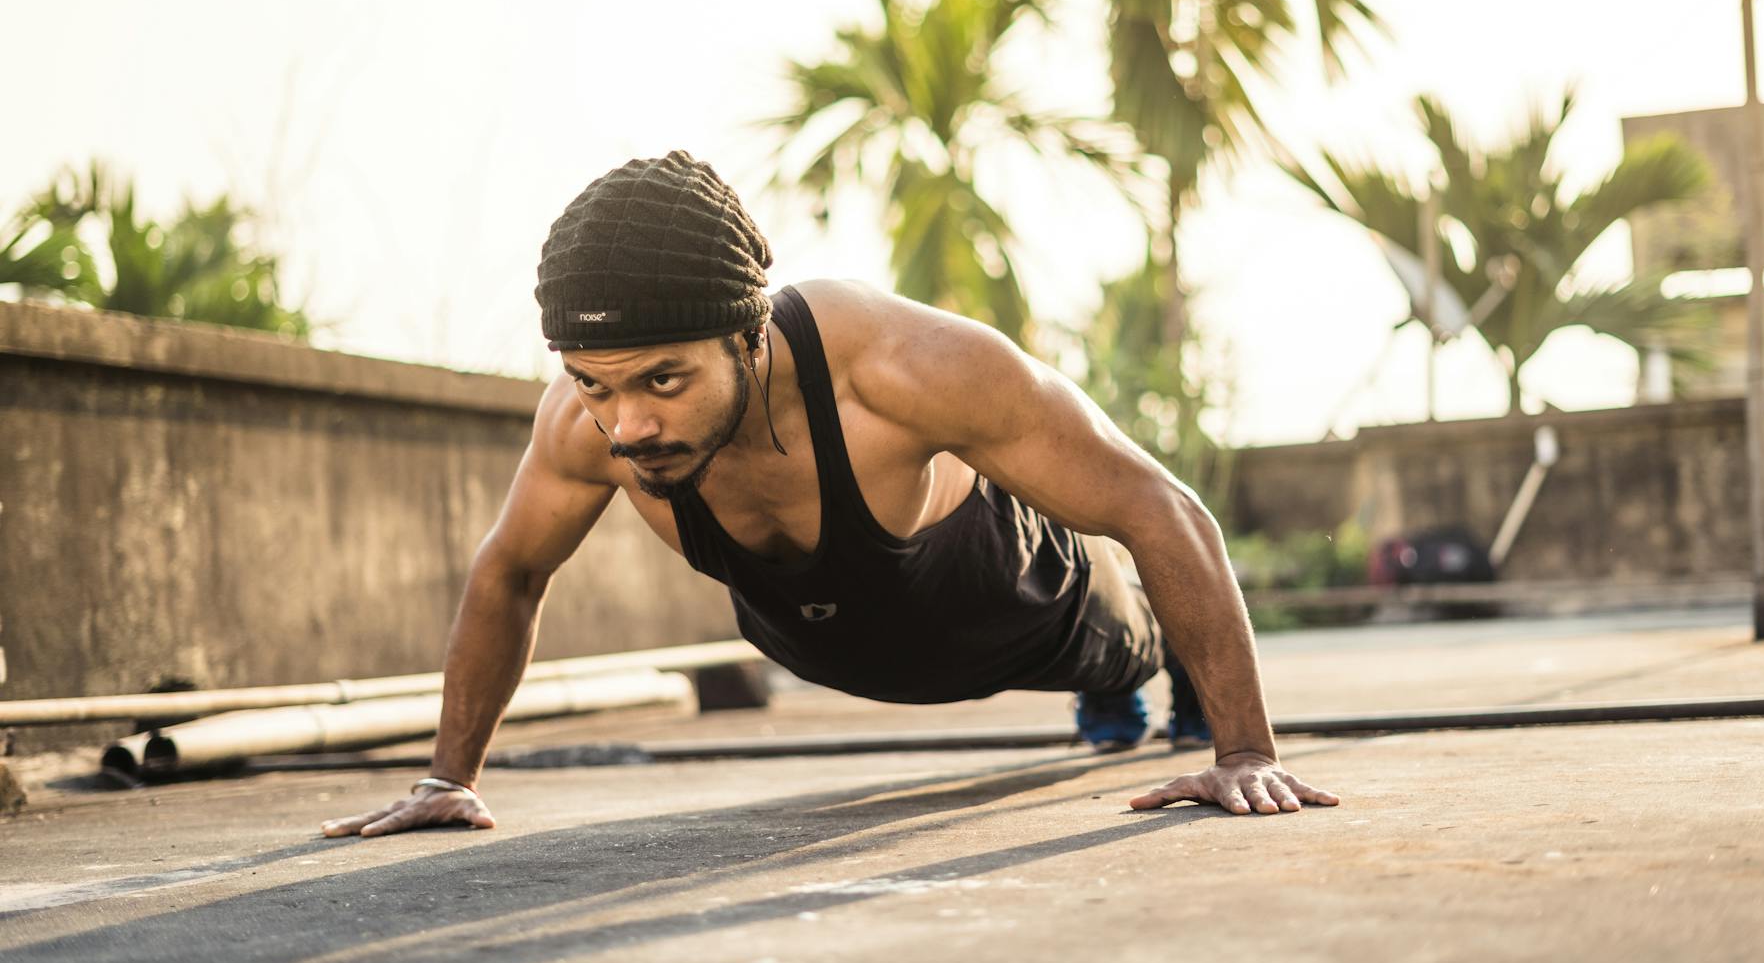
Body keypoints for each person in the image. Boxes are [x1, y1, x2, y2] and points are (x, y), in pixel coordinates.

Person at [322, 152, 1337, 839]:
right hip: (827, 640)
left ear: (747, 336)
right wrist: (447, 777)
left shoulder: (903, 366)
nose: (625, 425)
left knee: (1117, 620)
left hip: (1010, 604)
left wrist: (1242, 747)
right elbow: (510, 569)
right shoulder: (581, 421)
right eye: (596, 383)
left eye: (661, 380)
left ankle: (1130, 679)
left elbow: (1162, 506)